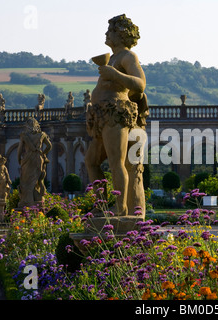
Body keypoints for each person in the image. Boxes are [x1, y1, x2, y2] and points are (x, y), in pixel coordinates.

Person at [85, 14, 148, 216]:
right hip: (102, 116)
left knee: (116, 162)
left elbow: (140, 84)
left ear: (120, 34)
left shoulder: (128, 57)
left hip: (116, 114)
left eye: (110, 30)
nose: (106, 33)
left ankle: (120, 207)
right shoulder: (112, 58)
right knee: (91, 161)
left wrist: (115, 75)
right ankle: (102, 203)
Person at [17, 117, 52, 208]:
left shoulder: (24, 135)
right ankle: (38, 199)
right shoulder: (42, 134)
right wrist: (43, 154)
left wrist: (19, 159)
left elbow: (20, 149)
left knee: (26, 181)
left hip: (27, 158)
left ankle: (27, 201)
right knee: (37, 180)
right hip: (38, 158)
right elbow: (49, 146)